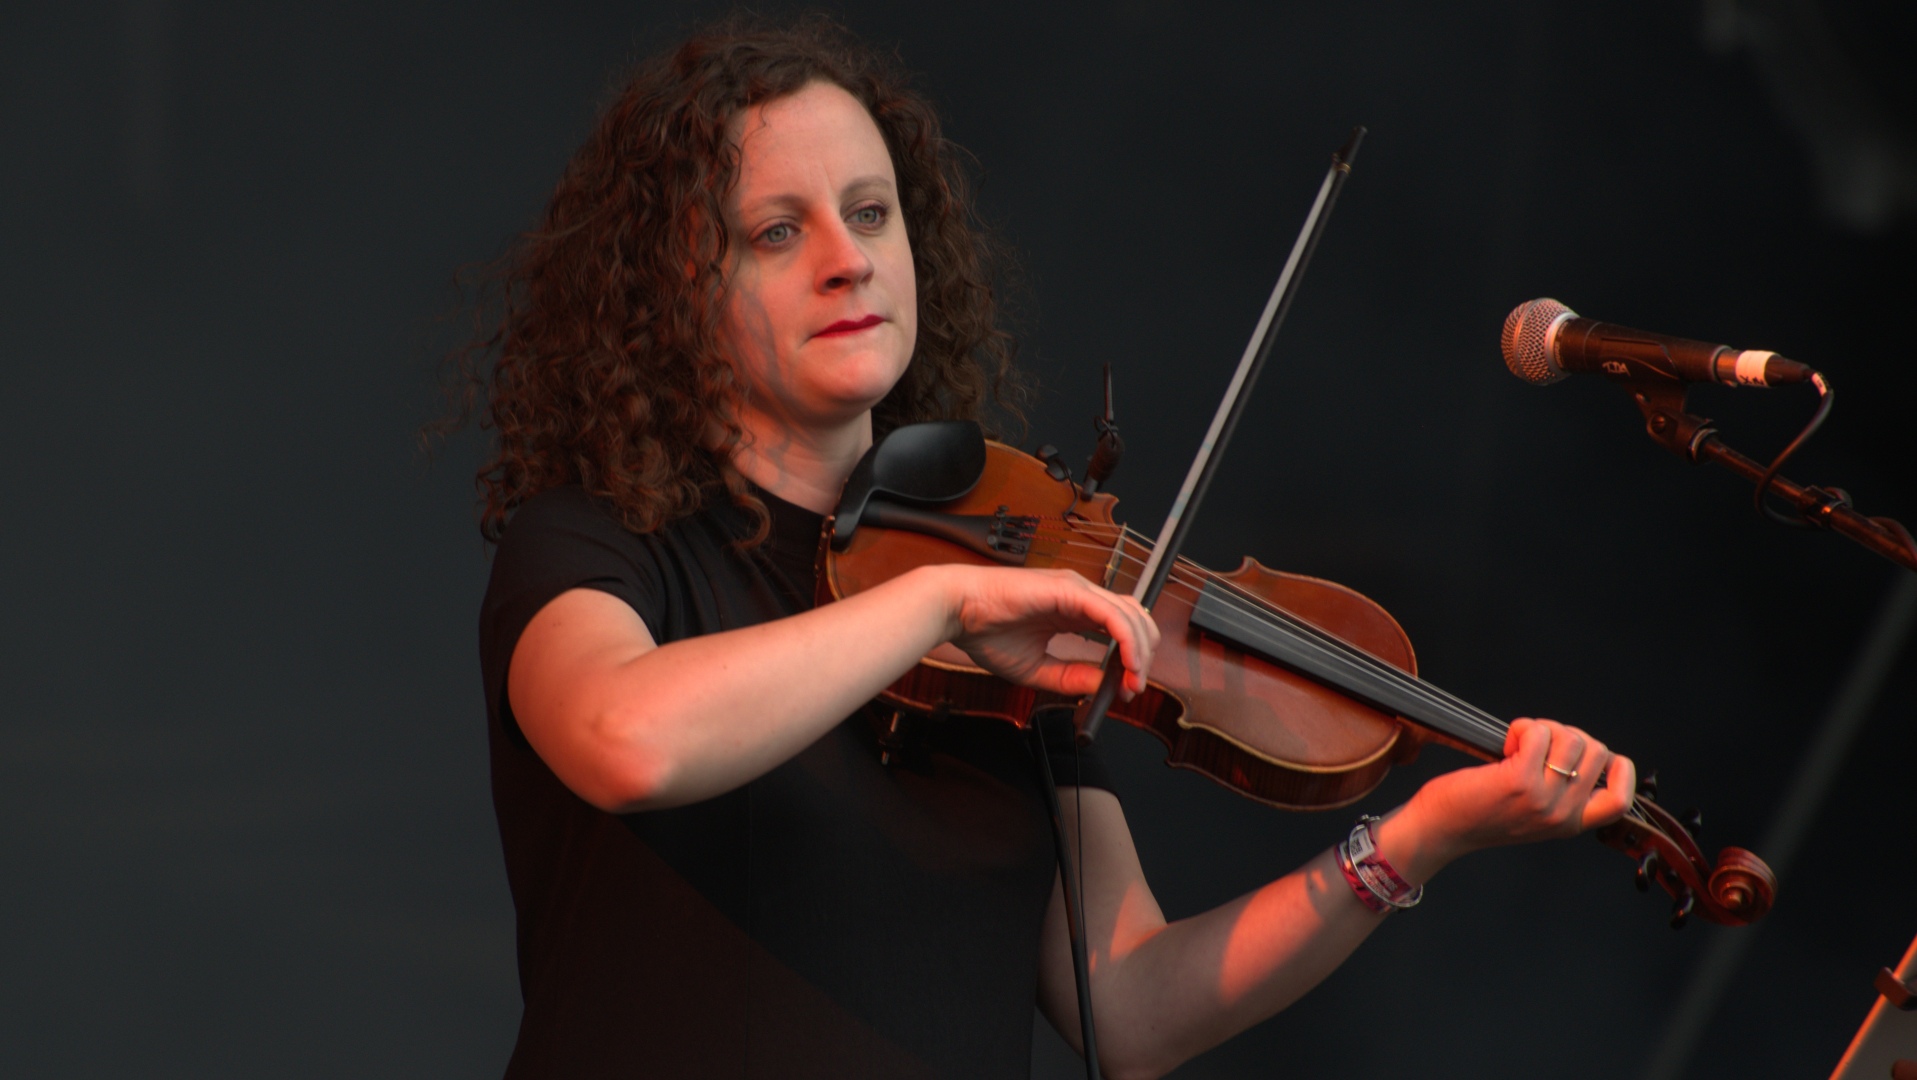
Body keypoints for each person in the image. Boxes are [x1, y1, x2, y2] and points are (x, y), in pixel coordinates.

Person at [460, 16, 1637, 1080]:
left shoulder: (1002, 611)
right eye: (777, 231)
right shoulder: (599, 543)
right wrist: (935, 608)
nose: (847, 258)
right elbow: (626, 740)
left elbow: (1131, 1009)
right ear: (673, 293)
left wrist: (1415, 842)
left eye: (871, 213)